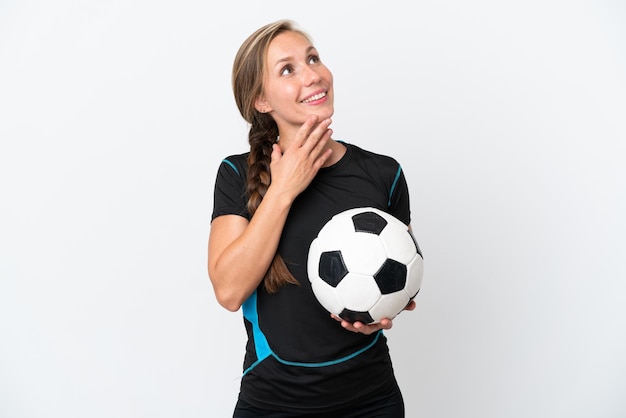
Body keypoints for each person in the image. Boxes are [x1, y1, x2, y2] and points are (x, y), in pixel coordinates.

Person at [208, 19, 418, 417]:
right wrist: (285, 188)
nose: (312, 75)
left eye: (313, 58)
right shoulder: (235, 174)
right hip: (271, 403)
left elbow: (404, 268)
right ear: (261, 101)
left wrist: (389, 305)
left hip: (371, 401)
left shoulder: (384, 173)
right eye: (288, 69)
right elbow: (229, 291)